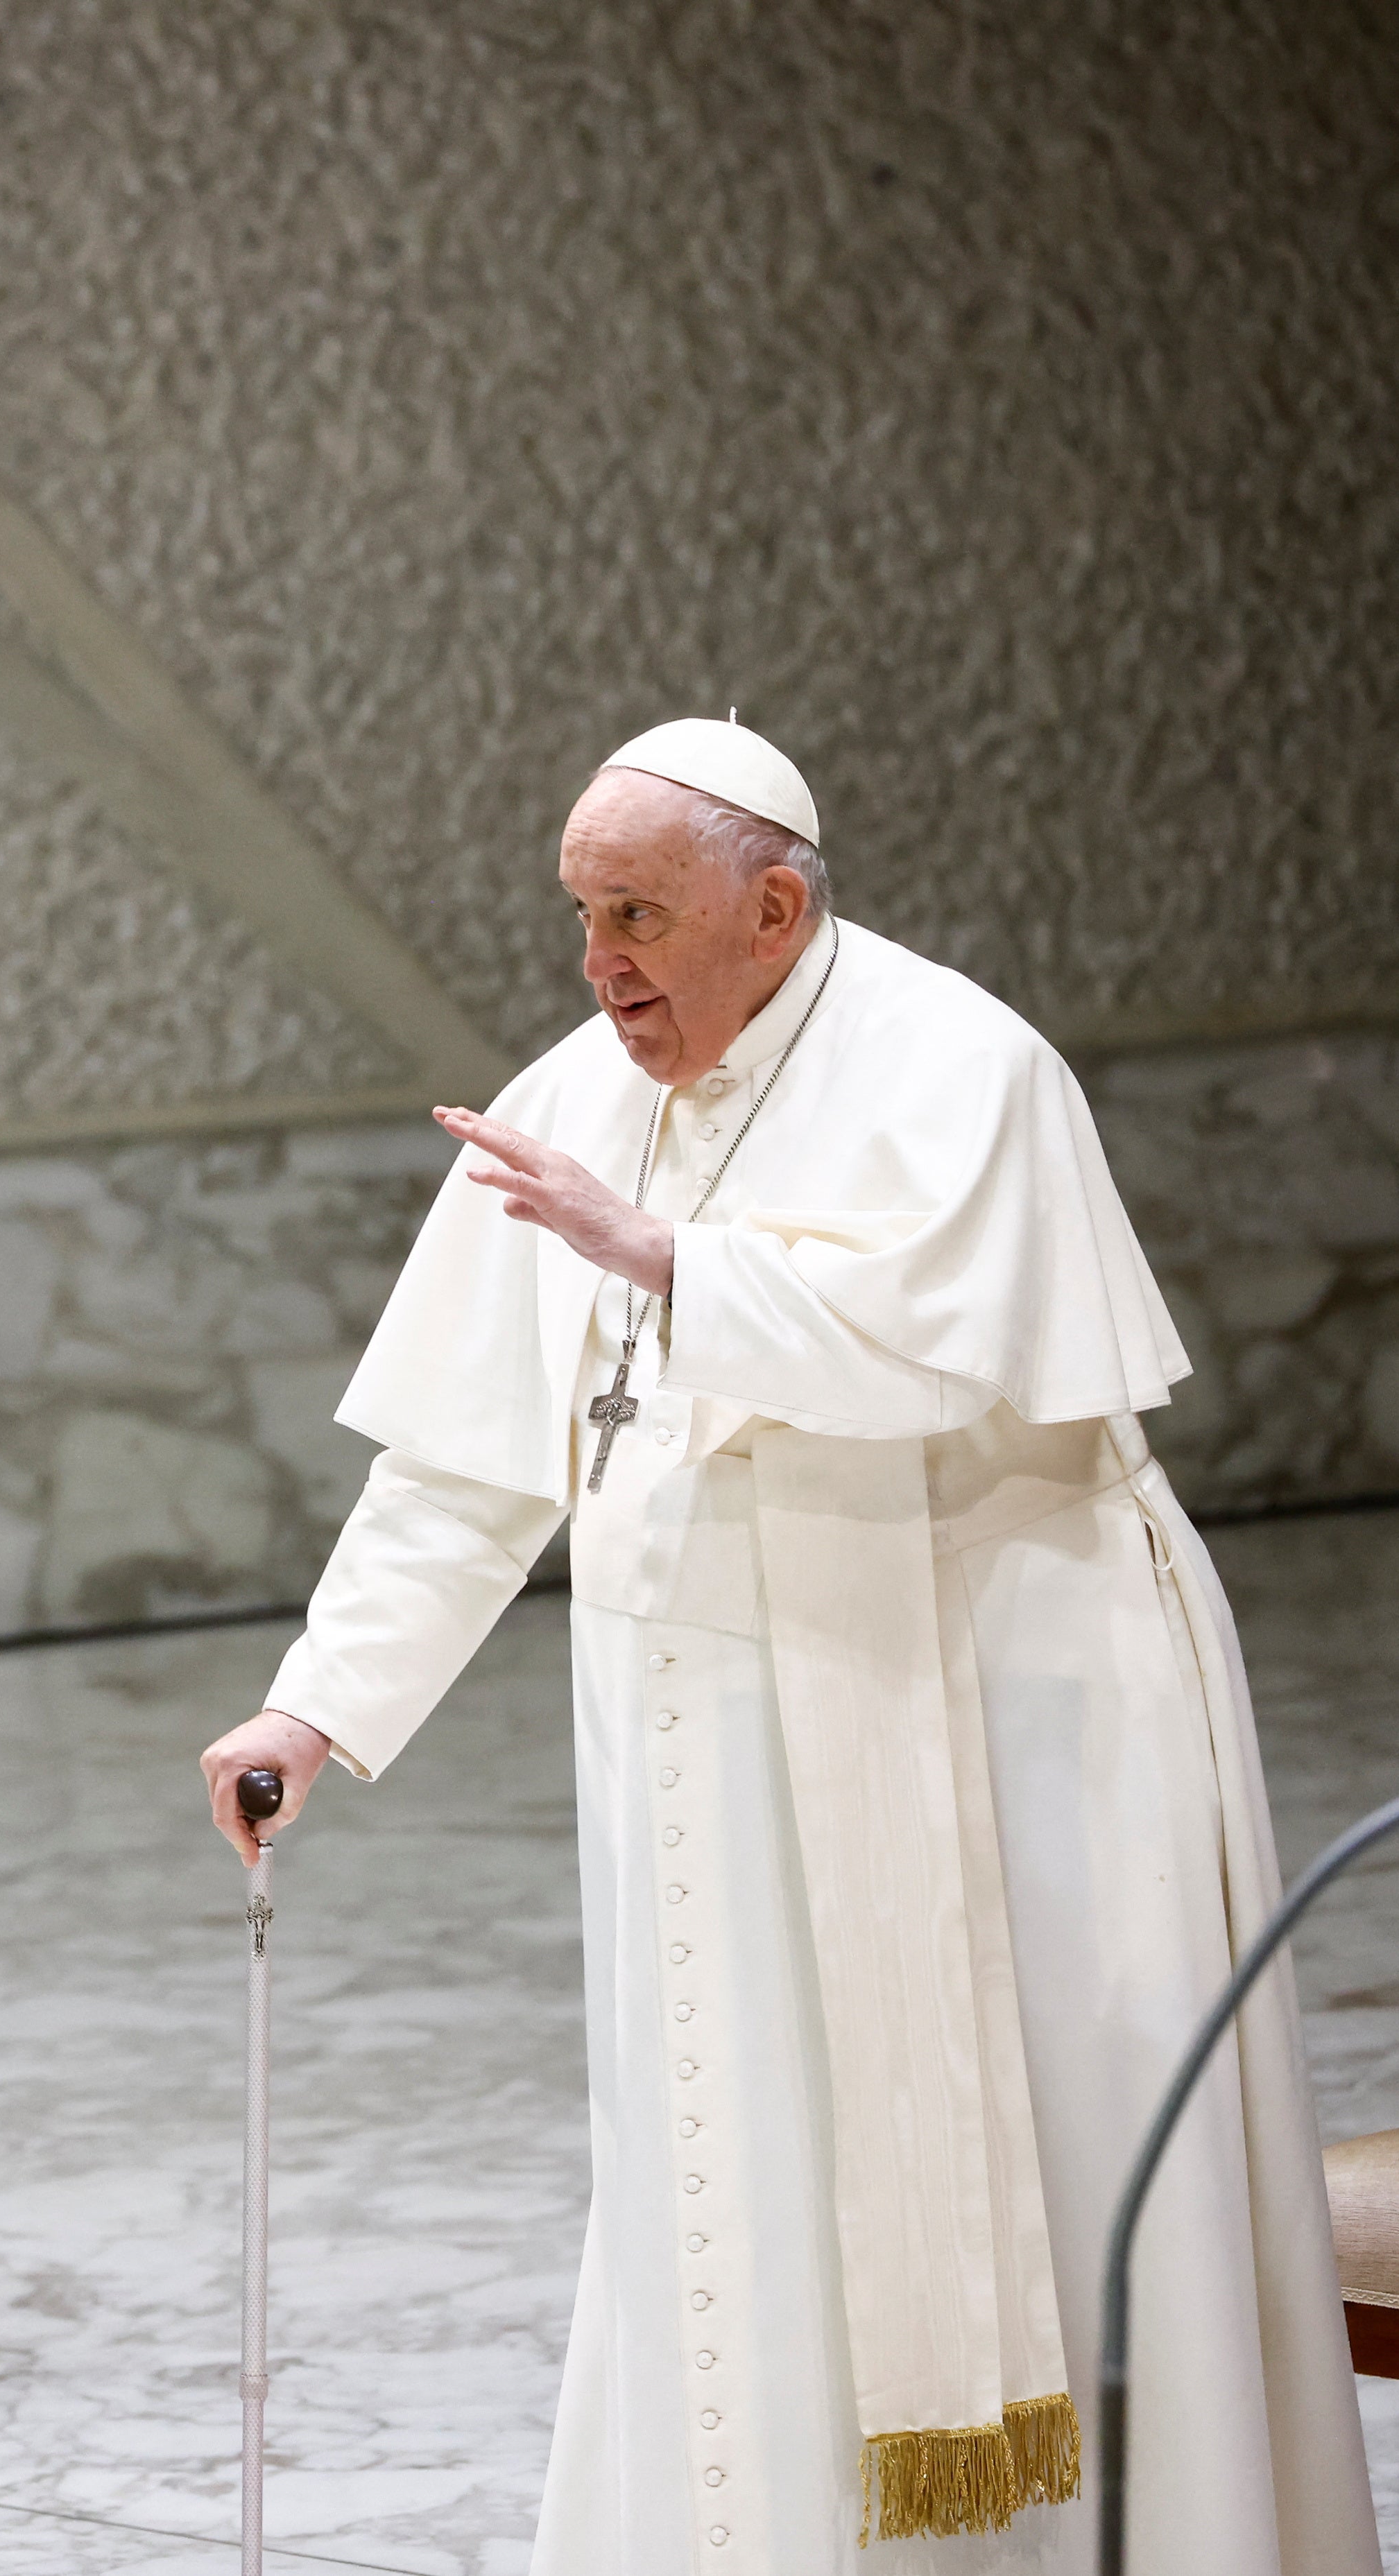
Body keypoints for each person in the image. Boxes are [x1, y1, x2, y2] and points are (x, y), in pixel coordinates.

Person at [199, 720, 1375, 2568]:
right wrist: (315, 1705)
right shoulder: (576, 1099)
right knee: (736, 2172)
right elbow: (468, 1458)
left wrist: (672, 1263)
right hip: (714, 1748)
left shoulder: (960, 1066)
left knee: (1053, 2164)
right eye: (582, 914)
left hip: (1013, 1711)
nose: (602, 964)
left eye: (640, 913)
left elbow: (937, 1352)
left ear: (773, 904)